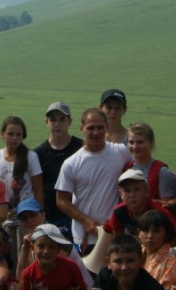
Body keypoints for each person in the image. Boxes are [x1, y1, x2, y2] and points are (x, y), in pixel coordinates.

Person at [55, 108, 130, 255]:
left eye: (100, 127)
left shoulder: (121, 152)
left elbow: (142, 165)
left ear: (107, 127)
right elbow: (61, 200)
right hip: (85, 238)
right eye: (91, 128)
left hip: (115, 235)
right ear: (82, 128)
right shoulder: (71, 163)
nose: (96, 132)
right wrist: (85, 220)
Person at [18, 224, 88, 290]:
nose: (46, 251)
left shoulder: (70, 266)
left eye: (51, 247)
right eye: (41, 246)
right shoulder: (28, 274)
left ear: (58, 250)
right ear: (33, 248)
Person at [33, 102, 82, 231]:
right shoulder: (38, 153)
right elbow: (37, 188)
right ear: (46, 122)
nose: (57, 124)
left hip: (76, 215)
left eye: (62, 119)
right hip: (48, 217)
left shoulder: (81, 148)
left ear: (70, 122)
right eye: (53, 119)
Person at [103, 168, 176, 240]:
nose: (132, 195)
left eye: (137, 189)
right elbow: (118, 240)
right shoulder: (119, 211)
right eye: (127, 191)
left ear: (147, 191)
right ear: (121, 194)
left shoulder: (159, 212)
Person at [0, 115, 43, 211]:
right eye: (10, 134)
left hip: (27, 212)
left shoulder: (31, 157)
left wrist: (39, 213)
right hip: (4, 212)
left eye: (18, 134)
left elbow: (38, 191)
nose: (15, 138)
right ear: (2, 134)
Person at [123, 122, 176, 206]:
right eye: (131, 142)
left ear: (151, 143)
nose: (135, 147)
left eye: (140, 142)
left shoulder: (162, 173)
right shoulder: (127, 167)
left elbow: (166, 209)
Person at [137, 209, 176, 290]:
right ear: (139, 233)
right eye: (146, 231)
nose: (150, 236)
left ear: (166, 235)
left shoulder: (174, 263)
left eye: (156, 231)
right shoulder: (133, 254)